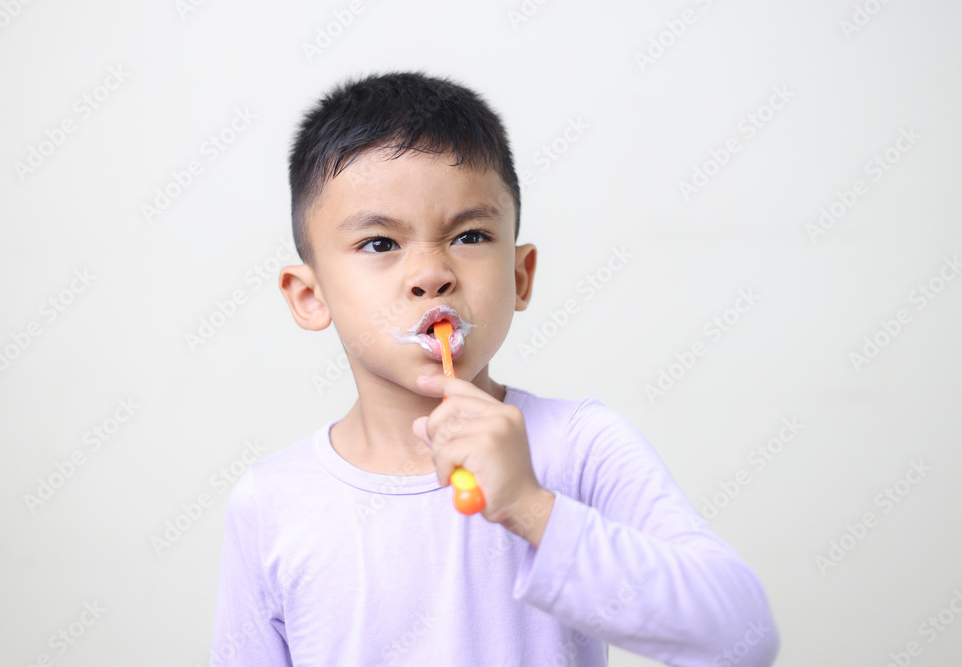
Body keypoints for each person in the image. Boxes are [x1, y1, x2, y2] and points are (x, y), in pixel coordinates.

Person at [209, 70, 779, 667]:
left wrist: (529, 507)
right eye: (380, 243)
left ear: (520, 275)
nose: (431, 273)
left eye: (471, 235)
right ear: (310, 296)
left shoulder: (580, 447)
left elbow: (741, 637)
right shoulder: (270, 501)